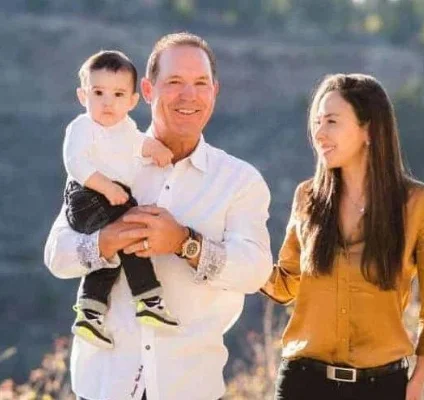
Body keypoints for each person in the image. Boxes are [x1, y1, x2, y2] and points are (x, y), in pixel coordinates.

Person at [44, 32, 273, 400]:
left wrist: (185, 244)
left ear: (215, 91)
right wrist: (108, 240)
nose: (189, 95)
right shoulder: (99, 160)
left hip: (189, 386)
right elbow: (57, 255)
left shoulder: (240, 181)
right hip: (103, 385)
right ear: (147, 91)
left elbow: (256, 270)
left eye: (200, 83)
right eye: (174, 83)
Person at [261, 73, 424, 400]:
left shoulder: (420, 204)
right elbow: (285, 284)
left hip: (382, 387)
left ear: (369, 130)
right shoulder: (307, 197)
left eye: (332, 121)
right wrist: (238, 252)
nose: (319, 133)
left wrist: (418, 380)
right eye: (317, 121)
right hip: (302, 383)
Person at [63, 50, 179, 350]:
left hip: (110, 197)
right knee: (134, 232)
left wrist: (155, 149)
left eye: (117, 94)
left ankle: (90, 311)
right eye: (98, 92)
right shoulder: (82, 127)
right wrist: (106, 188)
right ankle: (148, 298)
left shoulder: (125, 129)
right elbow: (75, 163)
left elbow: (138, 143)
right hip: (87, 197)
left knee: (111, 252)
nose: (107, 102)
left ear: (132, 101)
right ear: (82, 96)